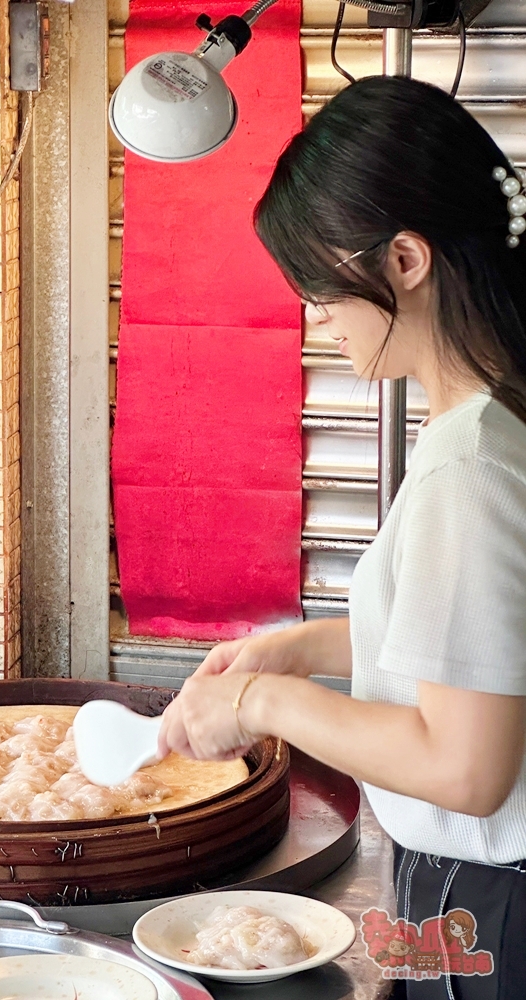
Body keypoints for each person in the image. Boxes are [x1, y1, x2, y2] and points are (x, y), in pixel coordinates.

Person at [157, 75, 526, 999]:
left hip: (492, 907)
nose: (313, 316)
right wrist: (298, 651)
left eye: (320, 286)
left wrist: (260, 710)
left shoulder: (467, 466)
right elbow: (480, 651)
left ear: (404, 258)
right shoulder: (494, 424)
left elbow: (465, 767)